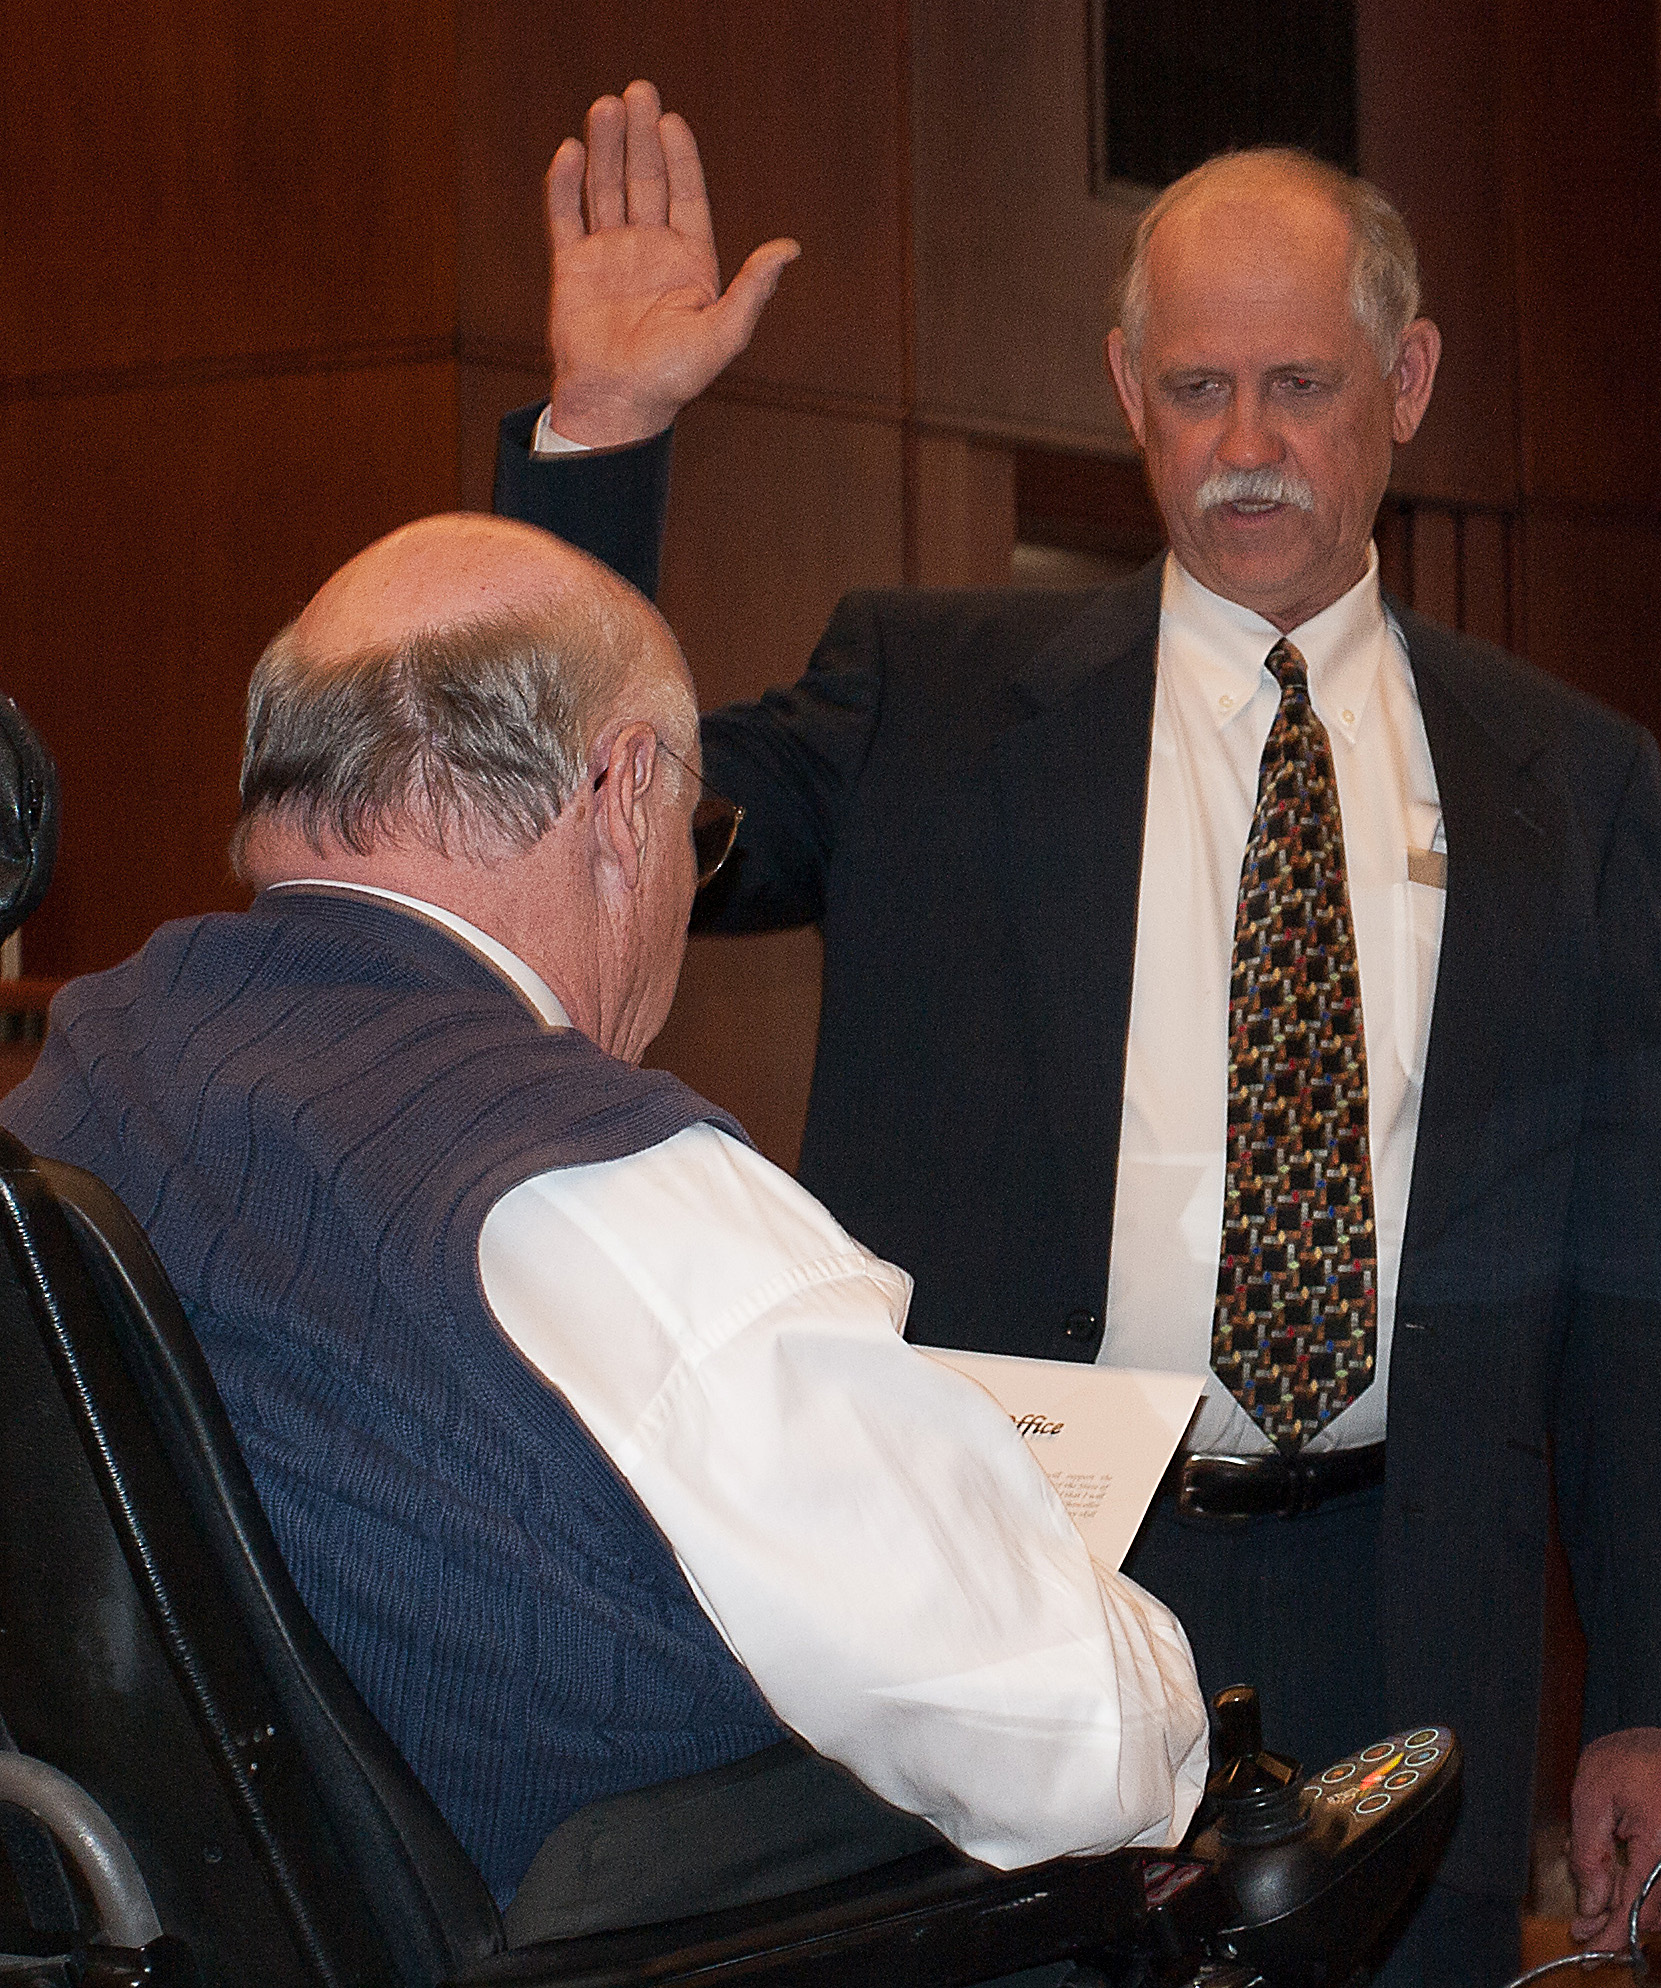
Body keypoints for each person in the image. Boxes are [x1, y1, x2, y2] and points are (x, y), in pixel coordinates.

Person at [493, 82, 1661, 1982]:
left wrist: (1654, 1688)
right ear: (1121, 388)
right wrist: (602, 441)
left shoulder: (1568, 777)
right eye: (1194, 388)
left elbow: (1635, 1274)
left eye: (1299, 387)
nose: (1244, 446)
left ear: (1404, 381)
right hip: (1031, 1603)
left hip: (1416, 1629)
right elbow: (588, 809)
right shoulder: (924, 703)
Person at [0, 514, 1207, 1939]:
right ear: (626, 794)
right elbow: (1078, 1749)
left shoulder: (83, 1070)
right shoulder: (619, 1200)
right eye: (701, 833)